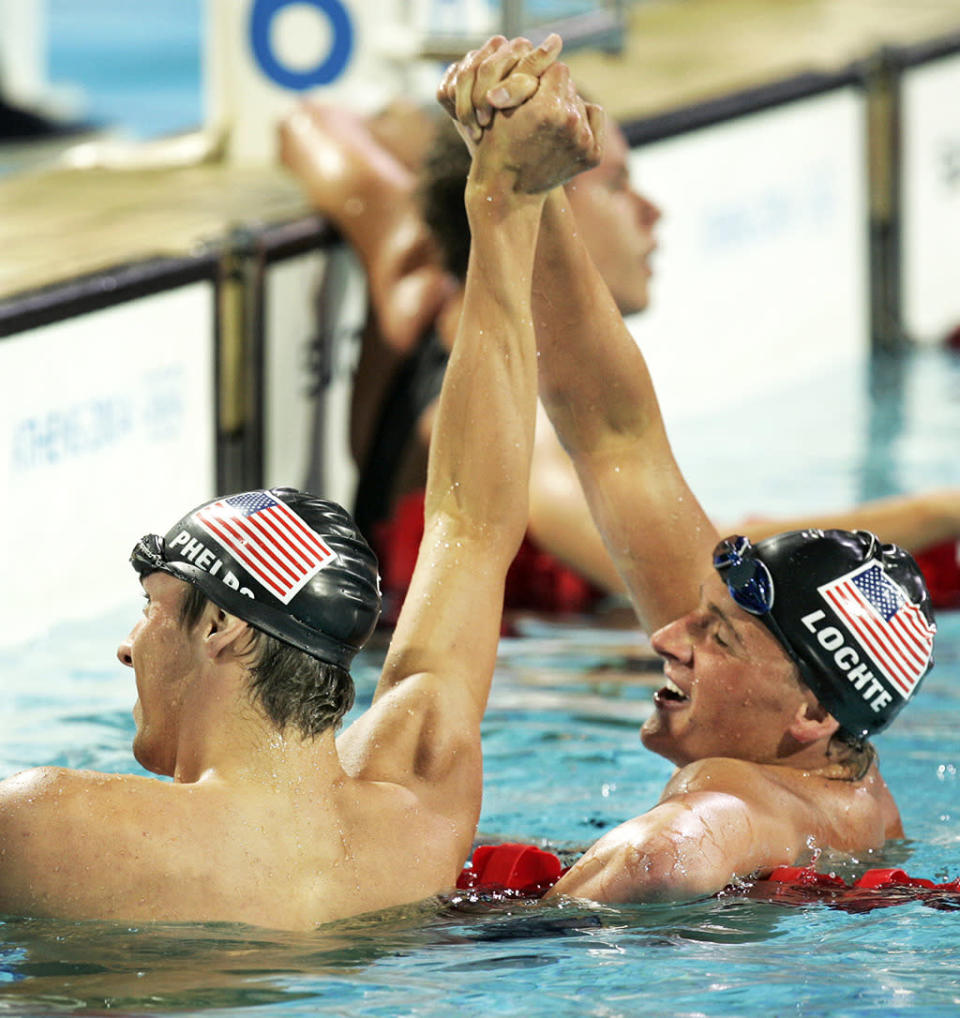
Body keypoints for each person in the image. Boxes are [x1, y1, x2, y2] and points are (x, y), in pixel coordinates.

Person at [0, 42, 602, 929]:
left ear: (222, 631)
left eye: (152, 606)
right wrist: (503, 202)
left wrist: (498, 197)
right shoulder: (418, 809)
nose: (128, 648)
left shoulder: (50, 827)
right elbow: (471, 527)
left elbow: (471, 525)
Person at [438, 36, 938, 904]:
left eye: (716, 636)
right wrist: (526, 172)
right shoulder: (846, 782)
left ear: (812, 715)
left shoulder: (736, 801)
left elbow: (672, 856)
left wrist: (537, 927)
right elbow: (615, 435)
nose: (669, 637)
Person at [279, 63, 960, 618]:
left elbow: (309, 123)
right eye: (618, 184)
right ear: (551, 205)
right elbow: (707, 578)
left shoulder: (415, 283)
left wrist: (480, 96)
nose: (652, 212)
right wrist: (940, 510)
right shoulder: (530, 442)